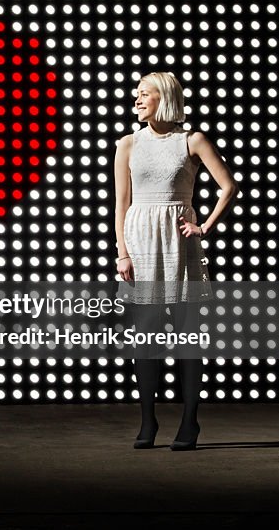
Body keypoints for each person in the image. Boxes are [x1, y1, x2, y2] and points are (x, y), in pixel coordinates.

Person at [114, 72, 238, 451]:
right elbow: (121, 203)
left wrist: (205, 226)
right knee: (144, 340)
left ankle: (189, 422)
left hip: (179, 244)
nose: (136, 100)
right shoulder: (128, 143)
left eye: (144, 95)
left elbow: (229, 186)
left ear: (163, 98)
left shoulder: (191, 140)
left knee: (187, 338)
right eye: (136, 95)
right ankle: (147, 419)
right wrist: (122, 251)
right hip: (140, 241)